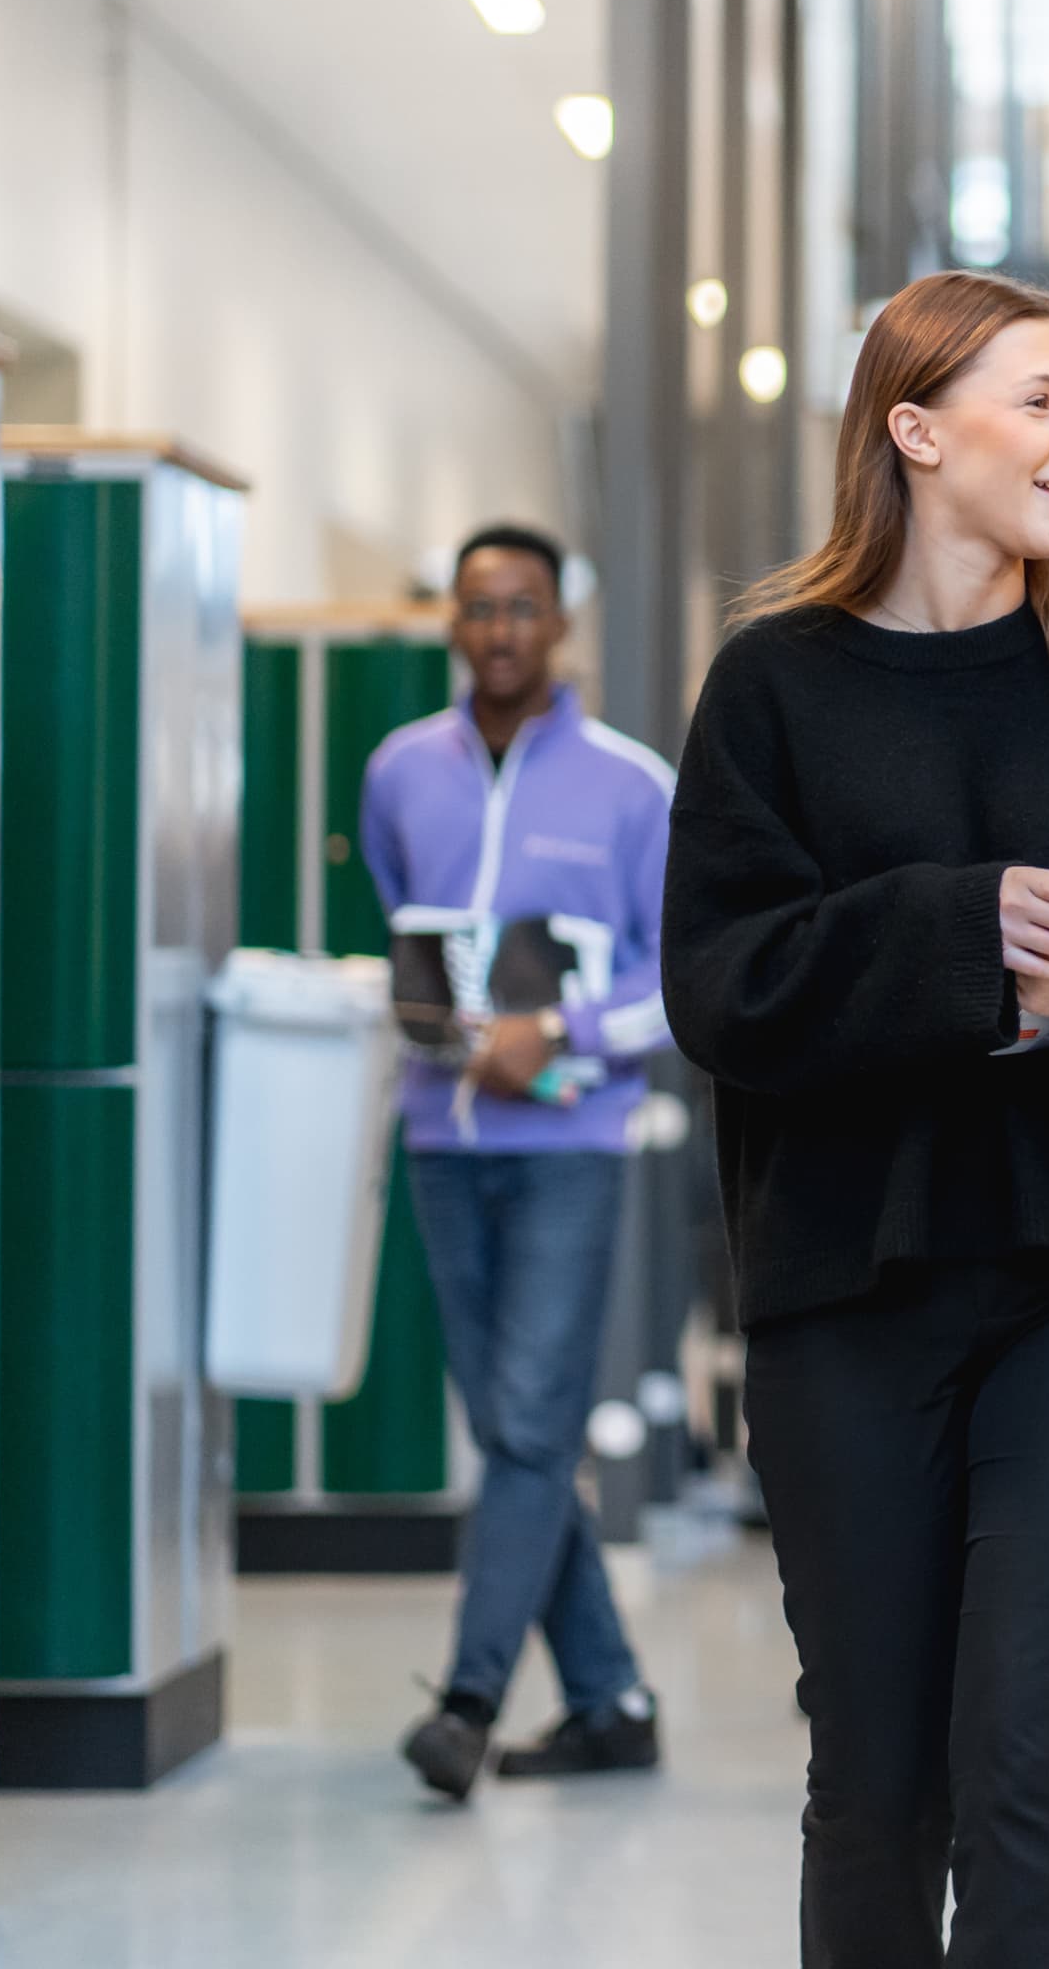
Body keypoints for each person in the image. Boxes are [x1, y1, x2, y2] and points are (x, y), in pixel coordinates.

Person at [660, 268, 1049, 1969]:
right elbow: (718, 987)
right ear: (918, 427)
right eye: (1039, 399)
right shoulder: (772, 688)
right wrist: (964, 937)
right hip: (846, 1300)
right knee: (878, 1789)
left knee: (1032, 1779)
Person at [366, 524, 674, 1800]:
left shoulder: (631, 786)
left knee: (535, 1419)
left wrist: (563, 1032)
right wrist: (449, 1035)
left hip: (570, 1146)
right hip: (444, 1139)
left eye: (524, 607)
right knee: (512, 1429)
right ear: (453, 621)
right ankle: (610, 1701)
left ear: (560, 625)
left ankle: (473, 1698)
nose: (499, 629)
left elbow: (690, 981)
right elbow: (402, 929)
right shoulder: (397, 773)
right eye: (479, 606)